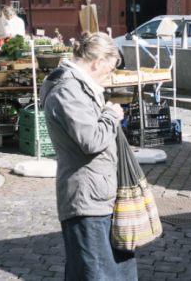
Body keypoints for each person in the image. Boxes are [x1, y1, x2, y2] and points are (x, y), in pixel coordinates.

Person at [40, 32, 132, 281]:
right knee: (95, 272)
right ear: (97, 61)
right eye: (109, 68)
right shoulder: (68, 90)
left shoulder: (78, 87)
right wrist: (111, 115)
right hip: (86, 198)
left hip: (96, 193)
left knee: (101, 271)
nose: (109, 75)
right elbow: (90, 140)